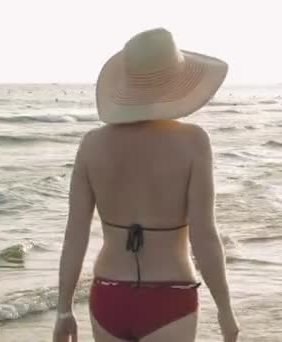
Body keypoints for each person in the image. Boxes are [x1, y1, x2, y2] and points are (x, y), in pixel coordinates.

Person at [53, 28, 239, 342]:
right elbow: (204, 235)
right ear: (177, 83)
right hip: (170, 296)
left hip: (108, 295)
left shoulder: (91, 145)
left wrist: (63, 309)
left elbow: (75, 235)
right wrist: (225, 309)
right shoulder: (193, 143)